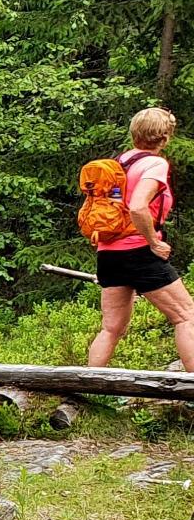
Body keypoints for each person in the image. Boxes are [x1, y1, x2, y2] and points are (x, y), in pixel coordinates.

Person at [89, 107, 194, 369]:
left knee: (111, 328)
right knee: (186, 317)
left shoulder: (118, 163)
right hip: (139, 252)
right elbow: (137, 206)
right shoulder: (155, 164)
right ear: (165, 138)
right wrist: (154, 241)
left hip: (108, 253)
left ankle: (84, 390)